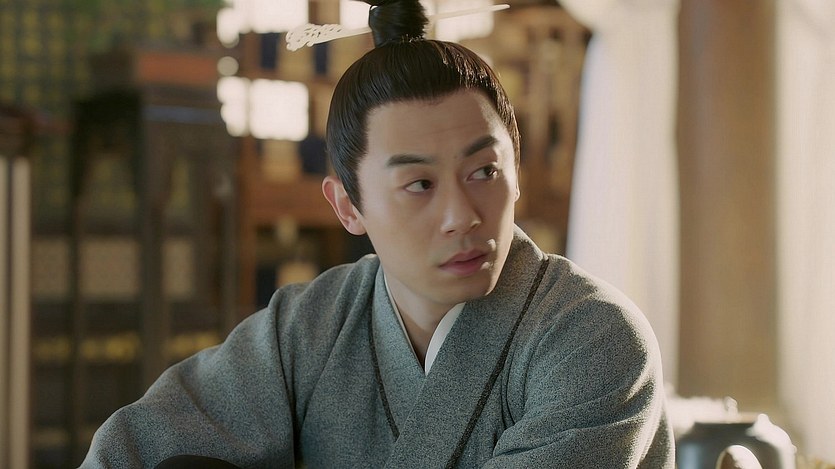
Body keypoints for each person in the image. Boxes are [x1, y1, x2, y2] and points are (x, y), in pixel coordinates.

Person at [80, 0, 675, 467]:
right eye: (419, 184)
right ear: (348, 206)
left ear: (516, 168)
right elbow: (132, 449)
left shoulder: (593, 338)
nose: (461, 215)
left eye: (484, 171)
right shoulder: (310, 328)